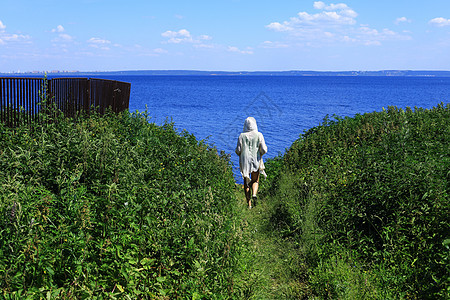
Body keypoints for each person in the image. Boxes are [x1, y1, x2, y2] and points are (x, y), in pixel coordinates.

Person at [235, 117, 267, 209]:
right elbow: (264, 149)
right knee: (255, 180)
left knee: (246, 182)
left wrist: (239, 153)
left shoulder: (242, 135)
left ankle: (249, 205)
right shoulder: (259, 135)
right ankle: (254, 194)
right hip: (255, 159)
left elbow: (238, 150)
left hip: (245, 161)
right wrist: (260, 152)